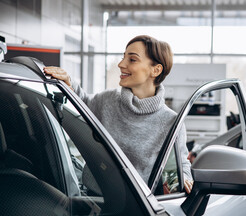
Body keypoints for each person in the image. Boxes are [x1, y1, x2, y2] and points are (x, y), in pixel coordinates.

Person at [44, 35, 193, 193]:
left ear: (155, 70)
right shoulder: (107, 100)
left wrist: (182, 178)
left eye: (132, 59)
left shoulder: (171, 122)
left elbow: (178, 167)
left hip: (137, 206)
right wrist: (69, 82)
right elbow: (83, 102)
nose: (121, 64)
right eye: (123, 58)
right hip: (92, 200)